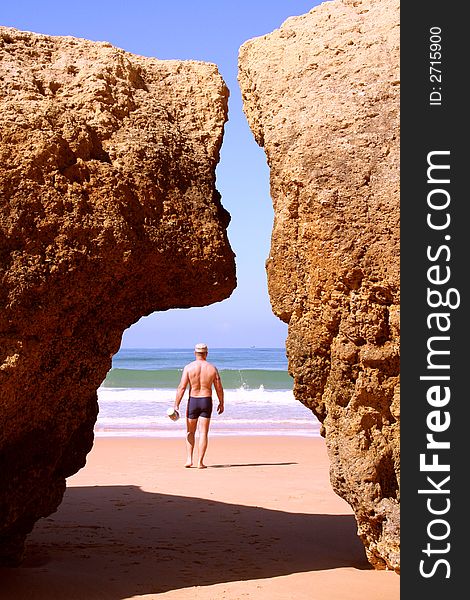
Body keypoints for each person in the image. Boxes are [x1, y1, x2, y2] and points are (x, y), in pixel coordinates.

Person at [173, 343, 224, 469]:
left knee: (190, 431)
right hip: (206, 401)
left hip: (193, 401)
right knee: (203, 433)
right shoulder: (212, 368)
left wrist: (176, 404)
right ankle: (200, 462)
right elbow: (219, 387)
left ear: (195, 353)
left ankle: (189, 459)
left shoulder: (189, 368)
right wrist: (221, 402)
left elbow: (182, 387)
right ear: (206, 353)